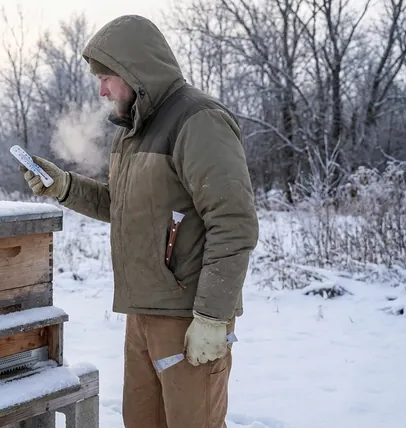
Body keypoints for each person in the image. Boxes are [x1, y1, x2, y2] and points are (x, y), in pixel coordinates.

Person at [20, 14, 259, 428]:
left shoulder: (198, 121)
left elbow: (234, 223)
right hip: (143, 313)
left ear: (135, 70)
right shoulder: (133, 131)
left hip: (189, 317)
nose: (102, 89)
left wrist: (213, 317)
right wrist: (64, 186)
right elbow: (122, 204)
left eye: (107, 77)